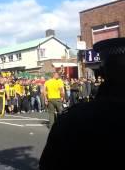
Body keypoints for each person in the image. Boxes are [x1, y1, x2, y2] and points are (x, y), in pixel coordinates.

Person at [39, 38, 125, 170]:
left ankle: (51, 123)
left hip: (54, 100)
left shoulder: (75, 118)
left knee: (54, 113)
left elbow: (49, 163)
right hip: (54, 99)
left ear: (102, 71)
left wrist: (54, 98)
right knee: (54, 112)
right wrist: (59, 98)